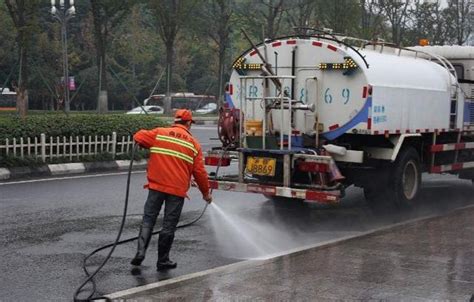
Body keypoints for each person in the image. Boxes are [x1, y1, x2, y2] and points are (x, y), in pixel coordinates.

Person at [131, 109, 212, 271]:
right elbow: (200, 173)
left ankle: (140, 253)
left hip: (156, 185)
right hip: (177, 190)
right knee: (169, 224)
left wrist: (142, 142)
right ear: (189, 123)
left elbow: (138, 136)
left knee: (149, 218)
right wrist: (206, 194)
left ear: (175, 121)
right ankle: (162, 260)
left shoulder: (159, 133)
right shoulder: (194, 144)